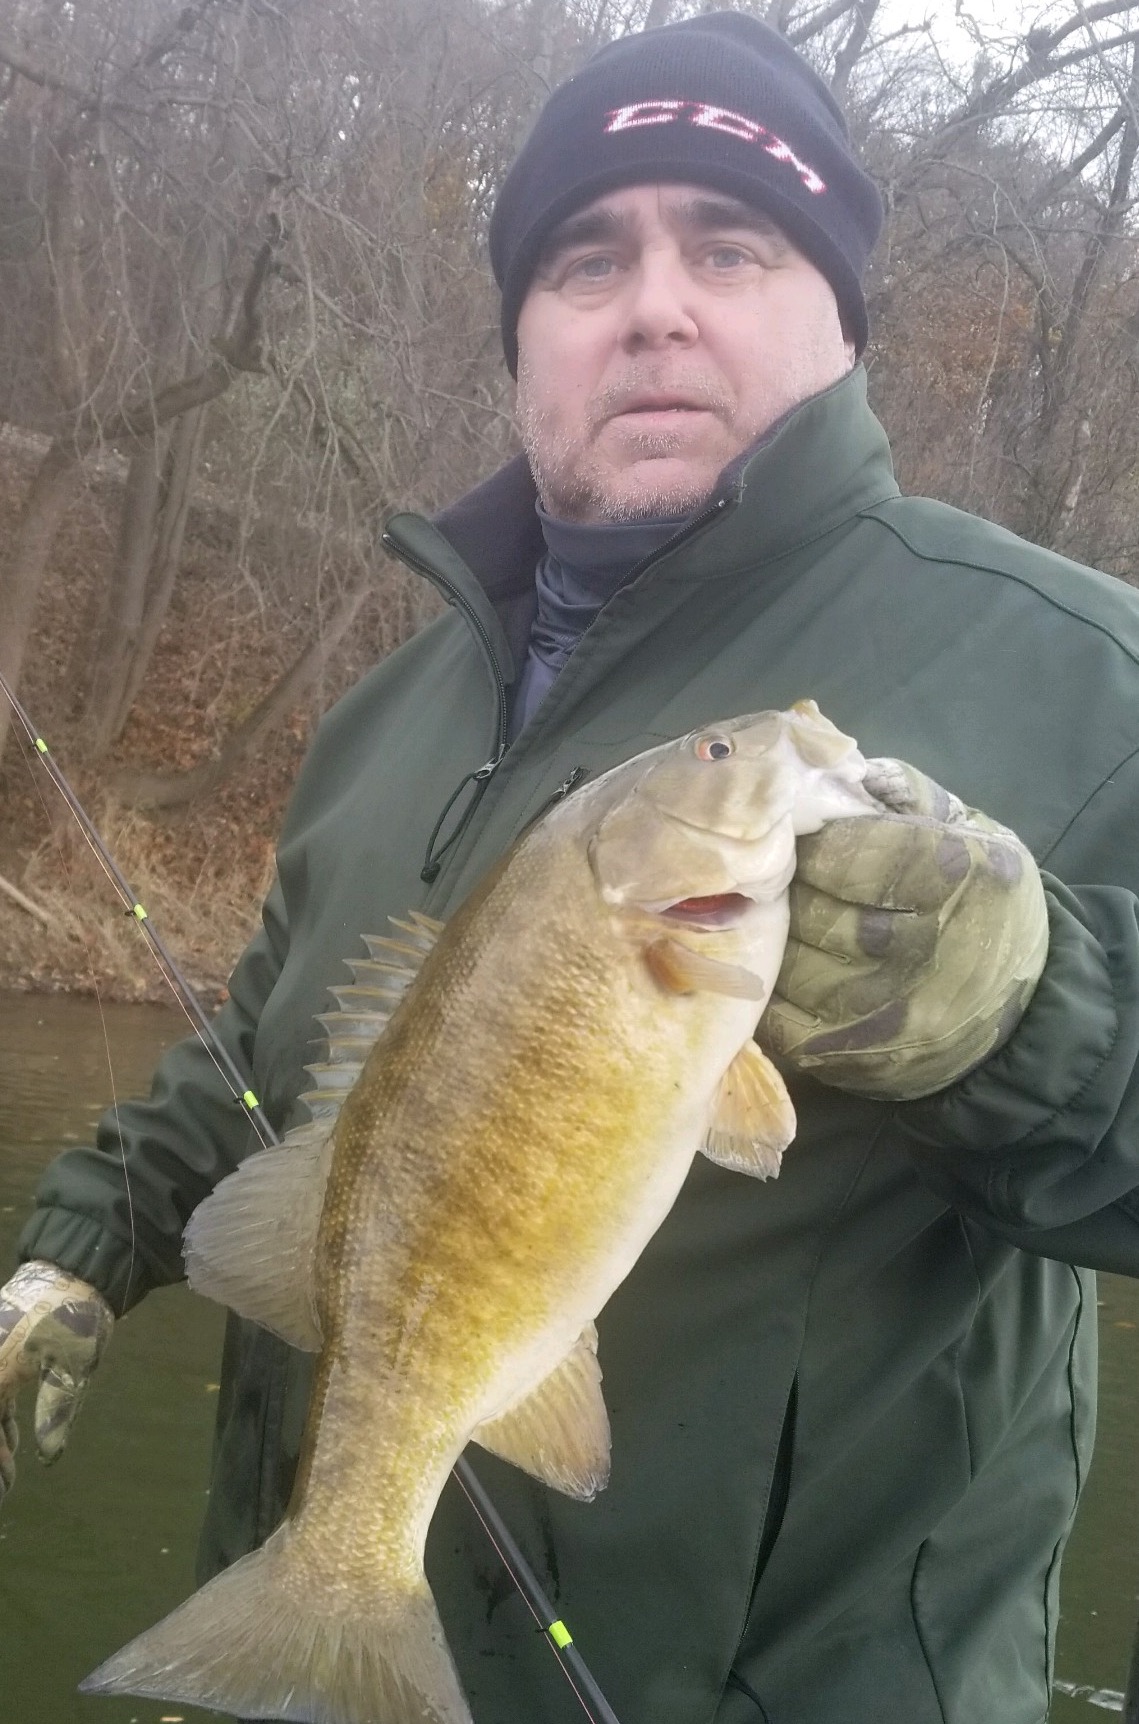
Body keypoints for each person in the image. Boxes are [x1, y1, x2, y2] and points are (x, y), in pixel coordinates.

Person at [4, 13, 1139, 1723]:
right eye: (588, 257)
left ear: (844, 317)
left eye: (733, 246)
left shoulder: (1084, 675)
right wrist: (76, 1244)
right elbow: (267, 1054)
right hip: (331, 1606)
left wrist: (1031, 1013)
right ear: (524, 335)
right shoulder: (394, 705)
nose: (656, 303)